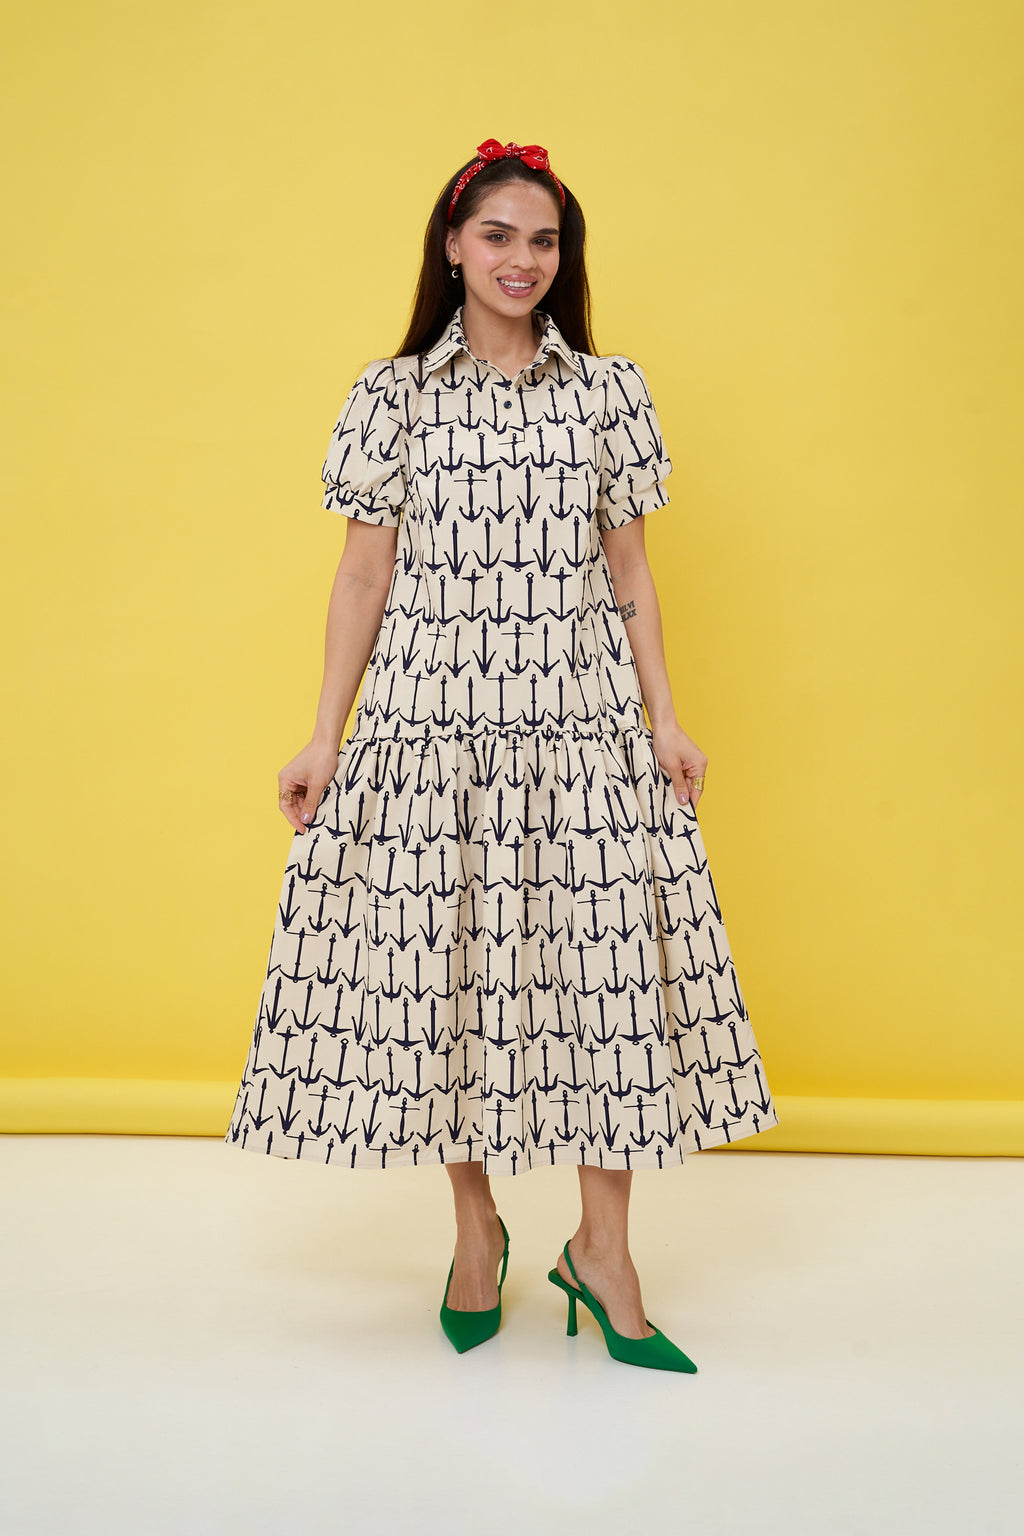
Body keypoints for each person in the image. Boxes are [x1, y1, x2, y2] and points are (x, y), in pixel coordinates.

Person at [224, 137, 781, 1373]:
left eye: (544, 241)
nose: (523, 261)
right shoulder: (393, 397)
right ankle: (474, 1227)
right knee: (445, 980)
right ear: (452, 246)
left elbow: (629, 566)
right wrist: (325, 731)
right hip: (427, 727)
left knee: (604, 986)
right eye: (498, 236)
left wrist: (664, 719)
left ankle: (604, 1252)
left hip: (578, 723)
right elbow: (363, 570)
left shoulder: (608, 392)